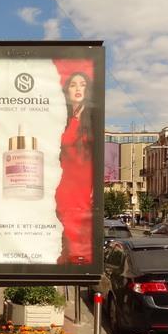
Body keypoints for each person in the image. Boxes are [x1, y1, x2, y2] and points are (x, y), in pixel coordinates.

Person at [55, 71, 95, 264]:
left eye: (82, 84)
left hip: (85, 186)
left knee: (80, 233)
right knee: (66, 232)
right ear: (67, 91)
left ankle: (79, 262)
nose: (78, 88)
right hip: (64, 186)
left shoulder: (92, 120)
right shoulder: (63, 120)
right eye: (73, 84)